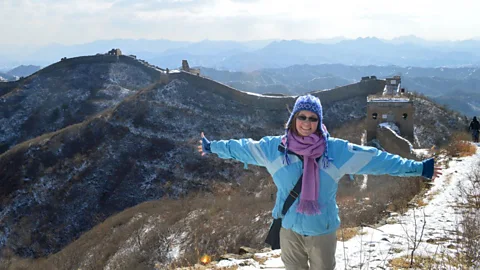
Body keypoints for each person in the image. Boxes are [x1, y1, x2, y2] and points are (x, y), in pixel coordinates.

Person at [197, 94, 442, 270]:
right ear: (293, 119)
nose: (306, 123)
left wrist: (419, 168)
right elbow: (241, 147)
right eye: (301, 116)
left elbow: (377, 160)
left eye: (312, 118)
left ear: (319, 121)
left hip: (322, 232)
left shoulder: (335, 151)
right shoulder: (275, 149)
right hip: (289, 229)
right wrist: (213, 147)